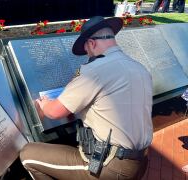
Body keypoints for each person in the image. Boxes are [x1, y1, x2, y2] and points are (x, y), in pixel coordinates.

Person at [19, 16, 153, 180]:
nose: (88, 55)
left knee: (28, 154)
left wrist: (44, 104)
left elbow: (54, 112)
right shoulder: (139, 68)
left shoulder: (95, 70)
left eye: (87, 50)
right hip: (140, 161)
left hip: (109, 167)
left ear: (92, 43)